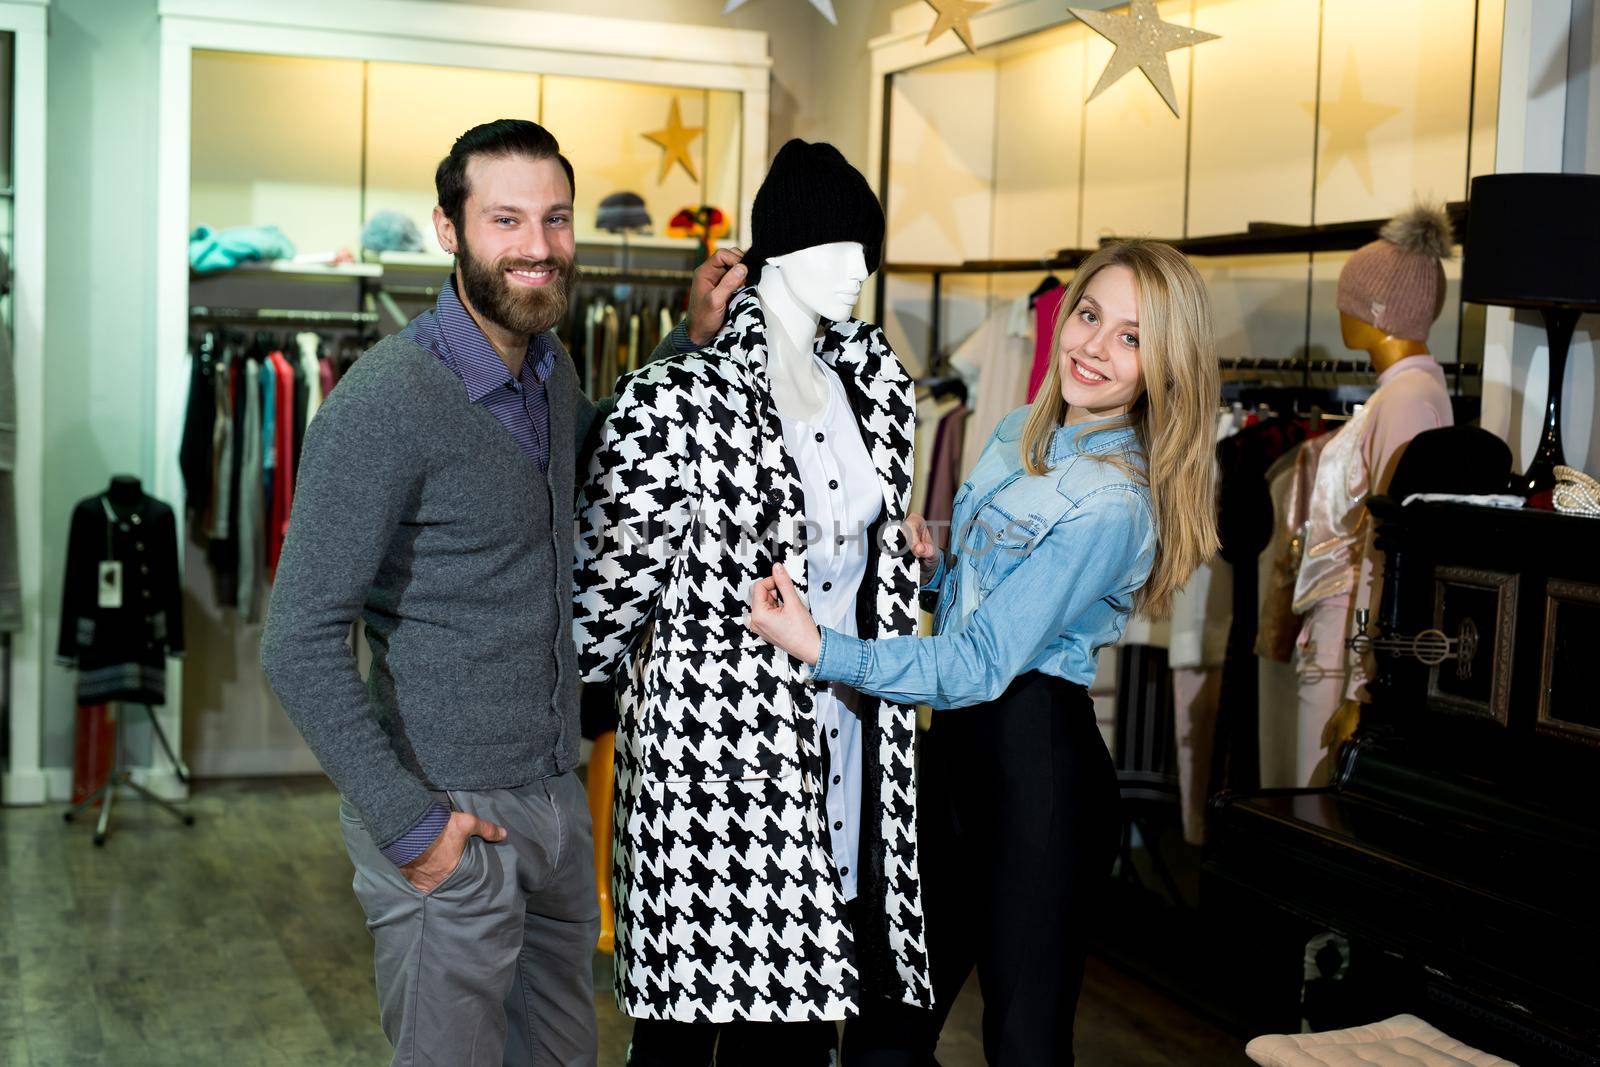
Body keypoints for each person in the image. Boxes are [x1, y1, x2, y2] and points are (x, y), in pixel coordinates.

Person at [260, 118, 745, 1067]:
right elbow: (299, 640)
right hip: (448, 808)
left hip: (556, 798)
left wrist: (691, 350)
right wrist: (412, 826)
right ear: (450, 230)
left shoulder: (551, 370)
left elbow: (600, 457)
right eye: (506, 220)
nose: (538, 247)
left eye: (557, 221)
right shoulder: (382, 404)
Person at [748, 240, 1221, 1064]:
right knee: (882, 1034)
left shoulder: (1114, 502)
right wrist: (930, 573)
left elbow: (977, 662)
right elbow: (976, 605)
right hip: (955, 758)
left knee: (1024, 1046)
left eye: (1132, 338)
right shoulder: (1012, 434)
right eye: (1089, 315)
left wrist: (822, 647)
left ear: (1166, 365)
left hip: (1041, 773)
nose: (1094, 347)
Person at [573, 139, 930, 1067]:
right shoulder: (673, 400)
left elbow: (870, 568)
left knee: (803, 1039)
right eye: (838, 250)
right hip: (712, 764)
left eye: (868, 254)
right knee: (685, 1043)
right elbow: (605, 594)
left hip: (847, 743)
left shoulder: (874, 395)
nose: (859, 273)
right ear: (783, 251)